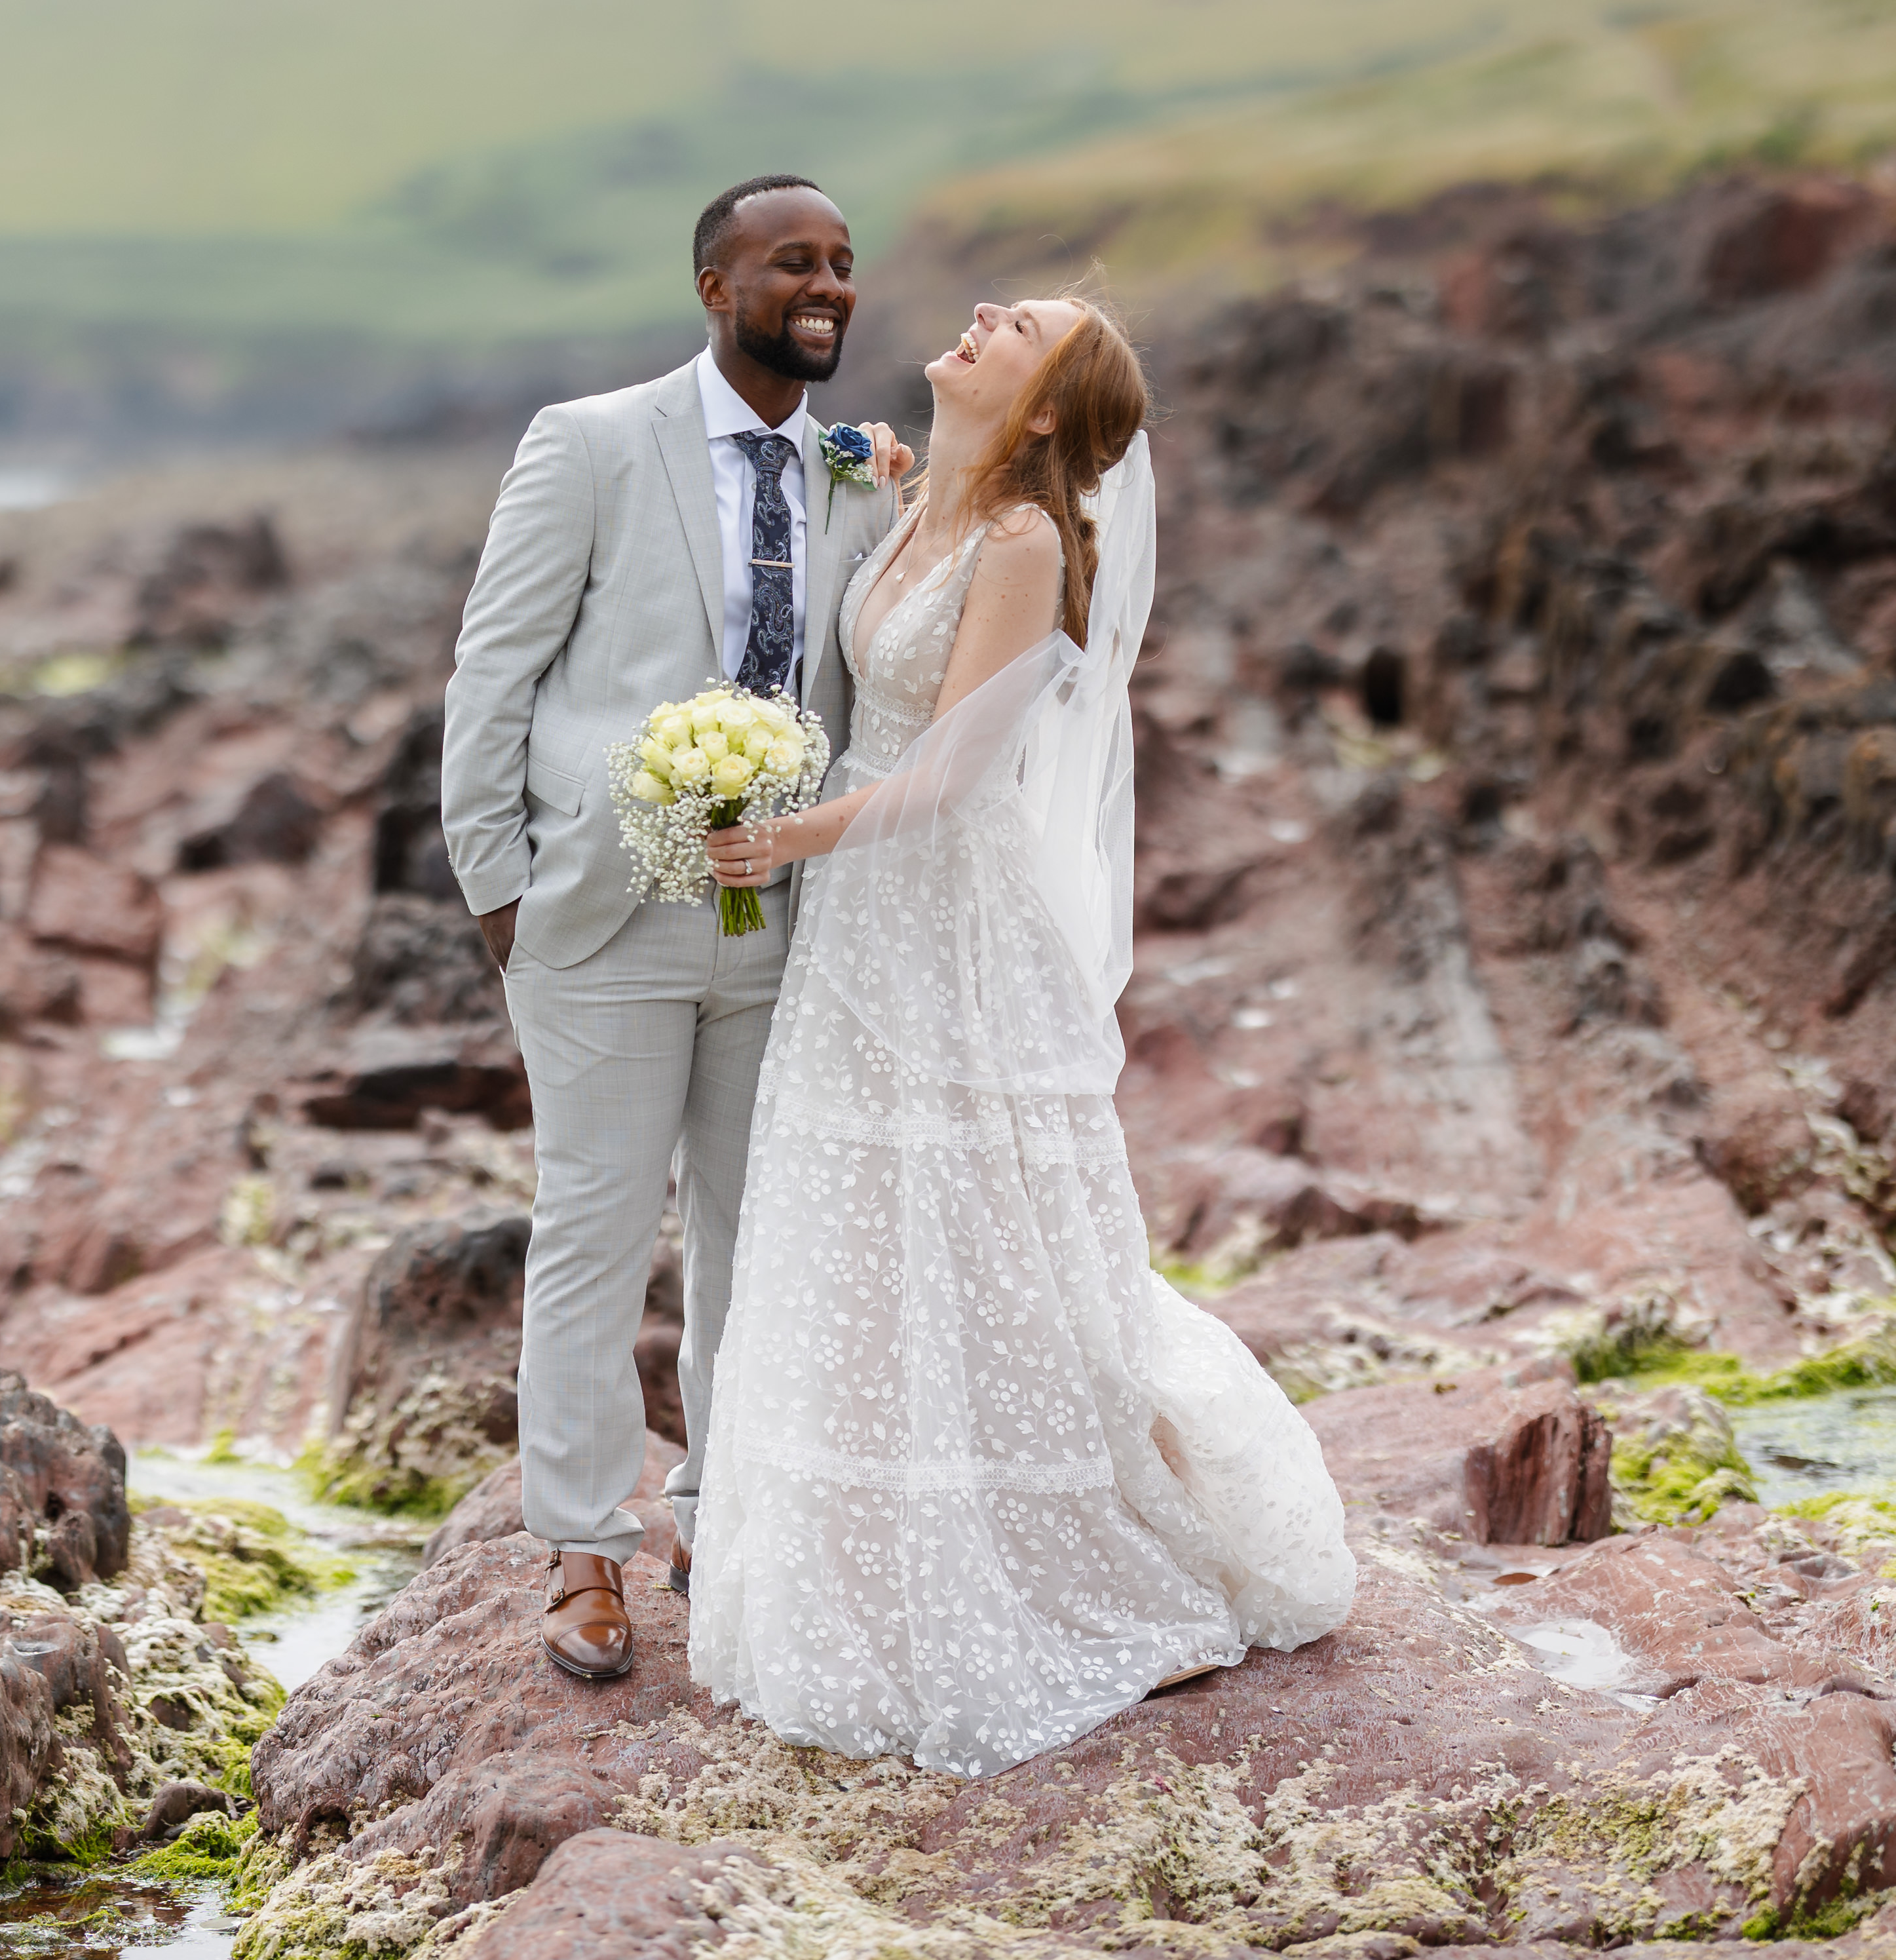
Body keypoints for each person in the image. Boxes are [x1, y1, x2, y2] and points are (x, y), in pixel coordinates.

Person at [685, 292, 1357, 1773]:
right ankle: (859, 1556)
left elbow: (949, 774)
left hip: (944, 911)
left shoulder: (1020, 545)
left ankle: (1061, 1547)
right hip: (864, 911)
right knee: (860, 1211)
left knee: (972, 1213)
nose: (981, 313)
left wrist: (781, 839)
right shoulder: (924, 497)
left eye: (1022, 325)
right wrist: (865, 470)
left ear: (1048, 409)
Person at [438, 176, 906, 1681]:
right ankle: (582, 1550)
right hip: (595, 915)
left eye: (840, 263)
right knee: (590, 1228)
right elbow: (491, 673)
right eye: (792, 263)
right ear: (716, 286)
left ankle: (718, 1506)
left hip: (781, 923)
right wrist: (499, 889)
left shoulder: (853, 468)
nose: (824, 285)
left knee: (747, 1234)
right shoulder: (586, 443)